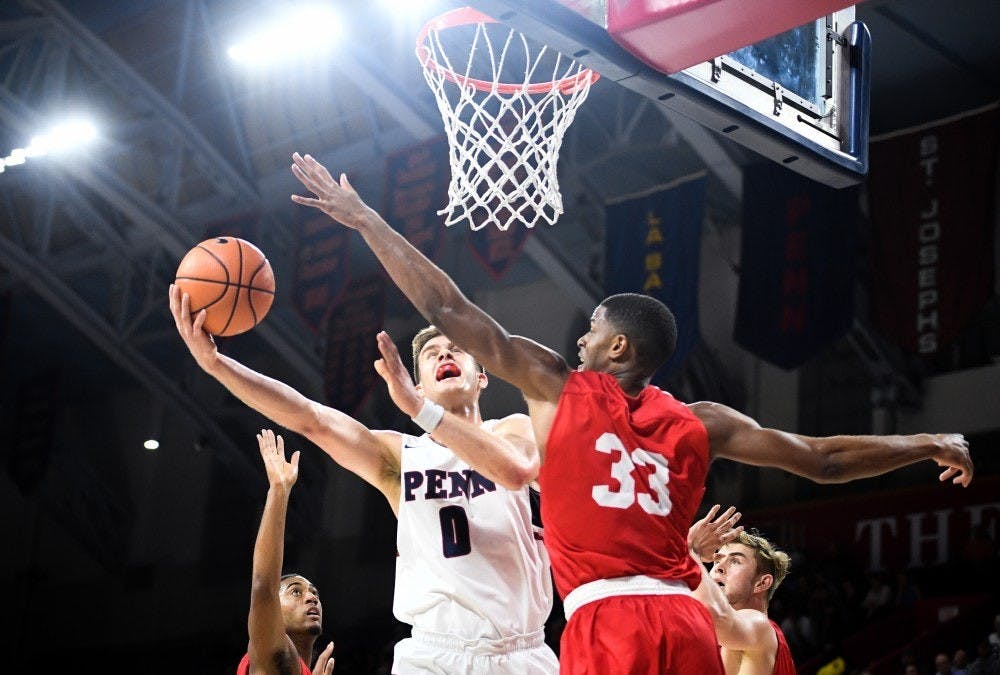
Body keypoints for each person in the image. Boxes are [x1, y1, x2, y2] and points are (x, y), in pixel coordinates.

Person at [289, 151, 974, 674]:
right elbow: (821, 459)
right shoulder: (703, 418)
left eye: (591, 329)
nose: (579, 338)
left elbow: (448, 310)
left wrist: (366, 220)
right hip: (686, 619)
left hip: (608, 618)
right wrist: (925, 438)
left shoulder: (560, 386)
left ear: (617, 345)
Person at [168, 287, 557, 674]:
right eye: (431, 352)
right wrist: (216, 364)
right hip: (435, 653)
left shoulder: (513, 430)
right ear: (417, 385)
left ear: (482, 377)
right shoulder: (399, 456)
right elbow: (311, 418)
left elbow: (517, 467)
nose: (444, 353)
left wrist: (420, 411)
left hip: (522, 650)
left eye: (456, 348)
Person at [238, 428, 335, 675]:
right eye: (296, 592)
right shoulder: (272, 653)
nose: (312, 598)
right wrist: (279, 489)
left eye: (314, 593)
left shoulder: (297, 668)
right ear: (274, 610)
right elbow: (263, 586)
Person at [687, 505, 797, 675]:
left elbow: (713, 615)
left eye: (735, 561)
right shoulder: (724, 641)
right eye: (716, 561)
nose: (719, 568)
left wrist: (689, 551)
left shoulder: (759, 626)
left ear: (762, 583)